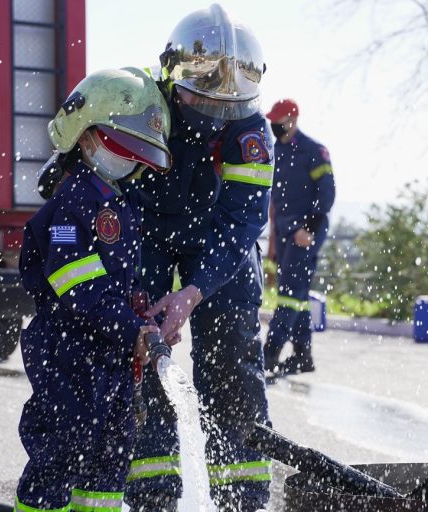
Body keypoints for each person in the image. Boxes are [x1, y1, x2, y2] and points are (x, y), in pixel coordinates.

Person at [123, 5, 274, 512]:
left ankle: (242, 493)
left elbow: (243, 220)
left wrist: (195, 290)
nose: (214, 116)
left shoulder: (250, 131)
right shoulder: (137, 104)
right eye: (202, 100)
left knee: (232, 360)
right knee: (142, 349)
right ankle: (152, 491)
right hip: (146, 234)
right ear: (173, 79)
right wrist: (141, 296)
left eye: (226, 107)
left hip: (218, 241)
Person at [14, 68, 172, 512]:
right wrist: (130, 329)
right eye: (122, 147)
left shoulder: (120, 201)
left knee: (111, 454)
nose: (130, 159)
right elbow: (78, 288)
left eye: (137, 152)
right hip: (68, 350)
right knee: (62, 452)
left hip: (110, 352)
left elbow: (123, 281)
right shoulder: (73, 203)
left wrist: (146, 320)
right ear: (85, 139)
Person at [262, 99, 336, 375]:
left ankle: (270, 352)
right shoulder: (276, 151)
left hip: (305, 231)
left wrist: (310, 228)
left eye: (279, 120)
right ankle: (303, 355)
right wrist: (272, 242)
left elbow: (327, 192)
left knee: (290, 293)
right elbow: (275, 202)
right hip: (284, 231)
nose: (274, 125)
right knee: (298, 294)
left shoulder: (313, 150)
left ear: (292, 119)